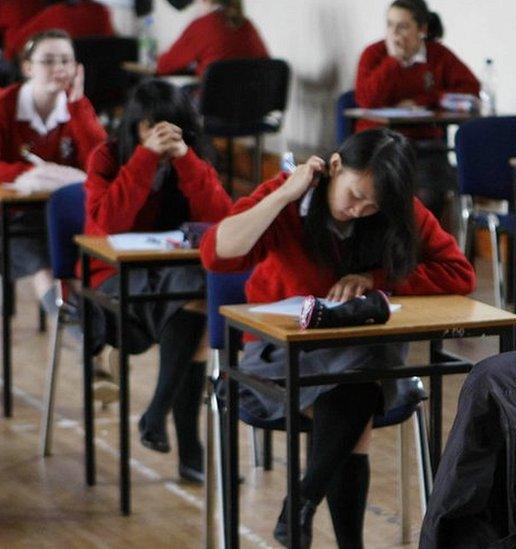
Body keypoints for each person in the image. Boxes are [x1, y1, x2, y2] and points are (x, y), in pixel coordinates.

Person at [201, 128, 476, 548]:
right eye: (354, 195)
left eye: (374, 205)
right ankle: (320, 517)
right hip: (282, 353)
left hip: (360, 358)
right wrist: (282, 195)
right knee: (357, 391)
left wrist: (377, 279)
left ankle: (303, 501)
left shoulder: (395, 209)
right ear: (334, 167)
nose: (361, 209)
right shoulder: (294, 200)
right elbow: (217, 254)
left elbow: (460, 273)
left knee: (356, 380)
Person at [81, 79, 231, 483]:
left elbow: (222, 220)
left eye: (169, 127)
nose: (161, 136)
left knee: (198, 290)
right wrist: (145, 160)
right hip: (113, 280)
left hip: (173, 274)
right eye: (150, 127)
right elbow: (108, 223)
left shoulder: (195, 154)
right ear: (135, 127)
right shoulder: (108, 156)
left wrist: (186, 161)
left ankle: (159, 415)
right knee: (194, 301)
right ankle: (184, 443)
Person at [0, 29, 105, 317]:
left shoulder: (77, 107)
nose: (59, 69)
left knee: (84, 256)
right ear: (27, 67)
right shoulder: (5, 104)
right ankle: (80, 334)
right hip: (14, 216)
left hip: (59, 213)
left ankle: (90, 334)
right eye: (48, 61)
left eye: (66, 61)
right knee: (45, 259)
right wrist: (31, 173)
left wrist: (79, 107)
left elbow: (101, 163)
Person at [355, 0, 479, 224]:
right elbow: (366, 100)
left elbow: (471, 88)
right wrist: (393, 61)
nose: (394, 33)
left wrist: (424, 100)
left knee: (431, 195)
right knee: (381, 195)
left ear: (422, 29)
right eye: (390, 25)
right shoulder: (374, 54)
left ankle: (421, 252)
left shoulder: (438, 55)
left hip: (424, 146)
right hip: (378, 146)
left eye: (402, 26)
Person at [156, 0, 269, 78]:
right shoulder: (248, 26)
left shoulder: (202, 26)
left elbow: (164, 66)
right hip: (253, 109)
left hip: (213, 107)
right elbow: (267, 65)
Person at [4, 0, 115, 62]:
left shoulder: (56, 14)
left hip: (58, 93)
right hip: (108, 95)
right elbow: (117, 46)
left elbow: (11, 51)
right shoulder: (101, 12)